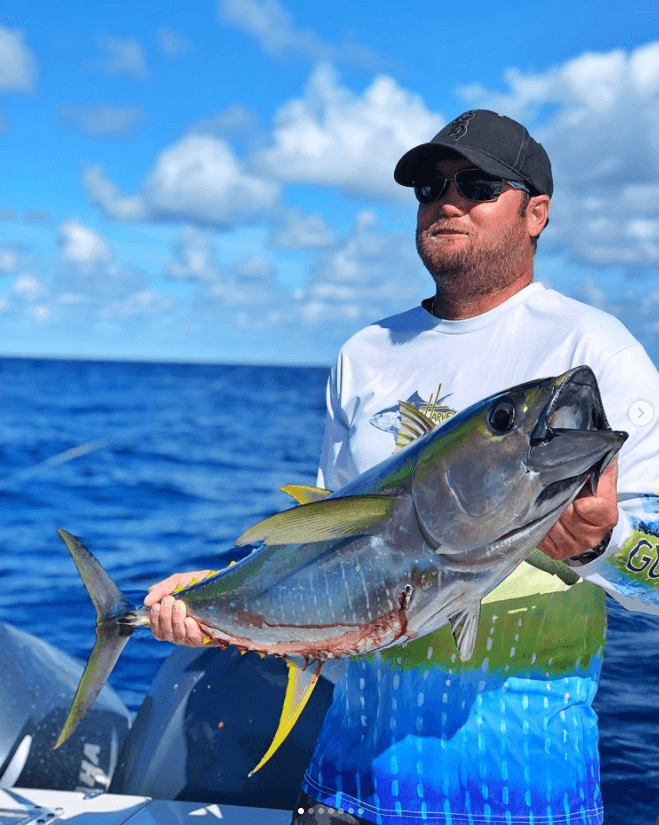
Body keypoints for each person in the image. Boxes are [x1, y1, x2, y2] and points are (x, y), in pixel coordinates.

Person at [145, 110, 659, 825]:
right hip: (343, 794)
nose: (445, 200)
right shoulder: (365, 352)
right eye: (428, 185)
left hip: (527, 800)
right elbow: (318, 552)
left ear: (535, 212)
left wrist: (601, 543)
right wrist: (214, 595)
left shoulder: (594, 348)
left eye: (476, 184)